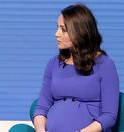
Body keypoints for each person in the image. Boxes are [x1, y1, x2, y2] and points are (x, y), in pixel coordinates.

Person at [33, 4, 119, 132]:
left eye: (63, 29)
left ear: (79, 31)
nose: (56, 34)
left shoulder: (105, 65)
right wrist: (40, 130)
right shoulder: (53, 64)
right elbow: (42, 107)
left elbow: (109, 116)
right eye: (57, 28)